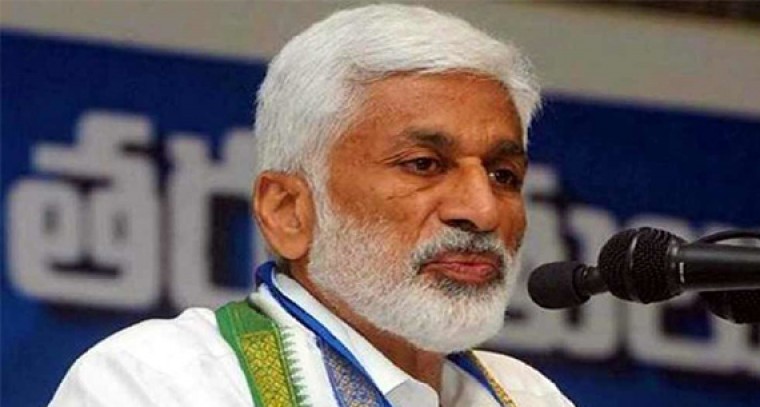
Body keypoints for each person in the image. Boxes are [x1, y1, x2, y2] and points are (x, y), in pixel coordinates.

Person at [50, 4, 573, 407]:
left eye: (503, 175)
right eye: (423, 165)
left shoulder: (527, 396)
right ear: (288, 211)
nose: (482, 210)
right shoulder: (164, 381)